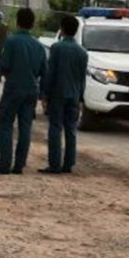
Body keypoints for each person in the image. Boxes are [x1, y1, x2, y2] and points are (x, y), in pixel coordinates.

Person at [0, 8, 47, 175]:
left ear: (18, 22)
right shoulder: (38, 46)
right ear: (32, 24)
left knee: (5, 125)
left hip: (13, 89)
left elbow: (3, 66)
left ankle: (4, 164)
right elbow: (43, 71)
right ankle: (19, 166)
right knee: (25, 128)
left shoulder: (11, 41)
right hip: (31, 91)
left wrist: (9, 74)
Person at [38, 13, 89, 174]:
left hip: (57, 94)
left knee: (55, 128)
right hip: (74, 95)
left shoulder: (57, 48)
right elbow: (82, 79)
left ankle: (54, 164)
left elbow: (50, 73)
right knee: (71, 130)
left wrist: (44, 94)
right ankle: (68, 164)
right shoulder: (82, 52)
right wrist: (81, 98)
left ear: (62, 30)